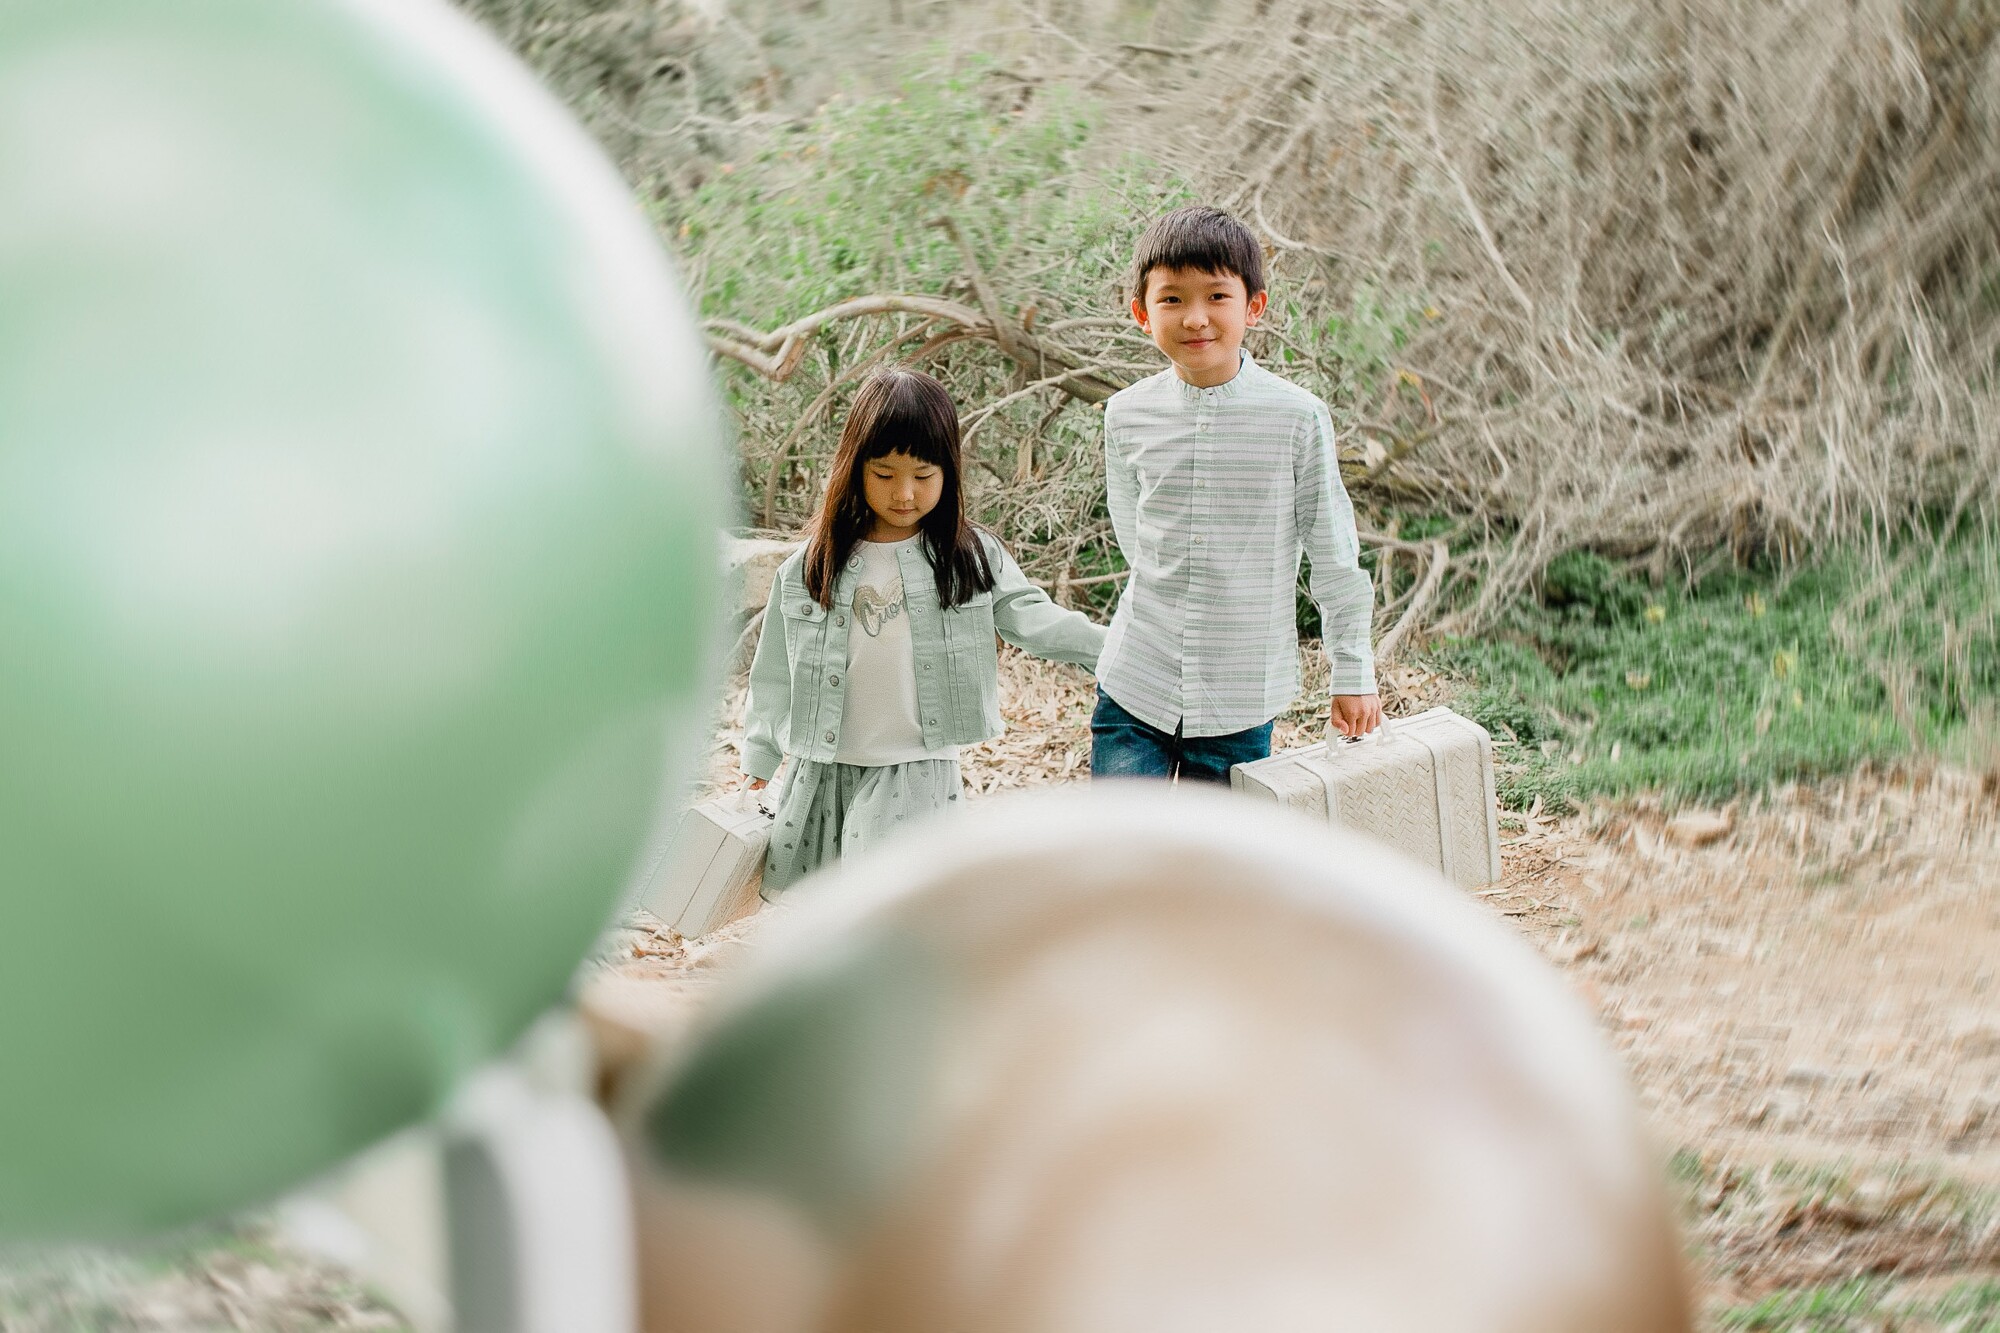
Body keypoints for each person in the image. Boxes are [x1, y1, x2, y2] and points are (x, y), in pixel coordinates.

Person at [743, 367, 1106, 892]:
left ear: (949, 473)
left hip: (914, 767)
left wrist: (1117, 650)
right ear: (854, 468)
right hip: (825, 768)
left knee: (892, 900)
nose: (905, 494)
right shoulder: (809, 564)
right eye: (885, 474)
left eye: (923, 474)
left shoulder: (967, 557)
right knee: (822, 906)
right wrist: (760, 755)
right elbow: (774, 672)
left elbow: (1035, 620)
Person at [1091, 204, 1381, 783]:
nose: (1195, 317)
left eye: (1216, 297)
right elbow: (1134, 535)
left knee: (1216, 869)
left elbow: (1331, 549)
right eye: (1172, 299)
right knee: (1119, 859)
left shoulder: (1297, 418)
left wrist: (1352, 670)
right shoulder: (1126, 414)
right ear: (1141, 314)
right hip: (1135, 682)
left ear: (1254, 306)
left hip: (1239, 696)